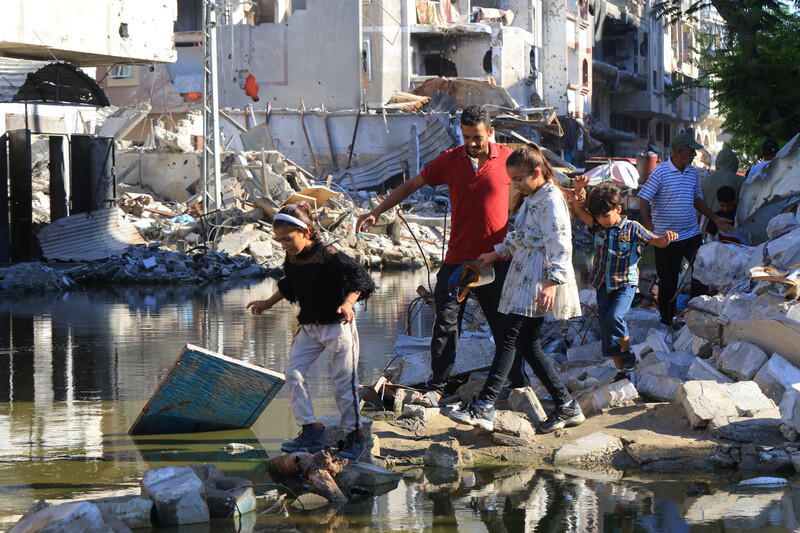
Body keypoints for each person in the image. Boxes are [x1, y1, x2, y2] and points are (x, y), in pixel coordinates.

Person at [356, 105, 523, 406]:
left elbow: (538, 185)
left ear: (491, 133)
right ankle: (437, 387)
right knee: (445, 322)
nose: (472, 143)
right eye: (467, 136)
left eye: (478, 137)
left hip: (496, 260)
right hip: (458, 260)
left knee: (504, 327)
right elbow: (412, 184)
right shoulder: (450, 160)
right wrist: (376, 211)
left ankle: (518, 383)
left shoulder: (509, 160)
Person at [446, 144, 583, 434]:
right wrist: (494, 254)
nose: (515, 185)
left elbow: (560, 244)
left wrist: (551, 283)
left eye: (519, 179)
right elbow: (519, 235)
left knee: (509, 337)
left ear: (536, 173)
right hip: (524, 274)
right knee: (528, 345)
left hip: (537, 279)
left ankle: (485, 405)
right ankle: (566, 404)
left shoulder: (551, 199)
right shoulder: (534, 196)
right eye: (512, 181)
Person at [247, 203, 376, 461]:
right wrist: (266, 304)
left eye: (288, 239)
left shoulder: (327, 253)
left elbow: (359, 278)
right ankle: (311, 429)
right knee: (293, 372)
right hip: (309, 326)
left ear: (306, 232)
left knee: (343, 382)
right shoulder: (292, 256)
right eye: (280, 240)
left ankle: (355, 434)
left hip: (338, 325)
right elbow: (290, 285)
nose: (284, 245)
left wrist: (348, 303)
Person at [572, 180, 678, 378]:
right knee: (606, 329)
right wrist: (579, 190)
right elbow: (578, 210)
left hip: (625, 284)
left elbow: (656, 241)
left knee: (615, 317)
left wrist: (666, 237)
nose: (602, 220)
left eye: (606, 216)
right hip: (602, 283)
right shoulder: (597, 227)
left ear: (618, 209)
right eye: (598, 217)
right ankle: (624, 370)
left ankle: (628, 353)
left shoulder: (633, 228)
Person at [637, 132, 734, 326]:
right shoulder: (660, 172)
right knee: (668, 282)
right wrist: (648, 225)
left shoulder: (692, 172)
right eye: (691, 151)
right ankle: (667, 321)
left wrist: (715, 217)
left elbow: (697, 200)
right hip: (666, 237)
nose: (695, 155)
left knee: (702, 273)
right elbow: (644, 198)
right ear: (679, 151)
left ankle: (696, 314)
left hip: (691, 233)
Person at [701, 146, 742, 213]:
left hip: (710, 222)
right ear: (735, 163)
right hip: (732, 222)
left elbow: (698, 209)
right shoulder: (741, 181)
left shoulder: (704, 181)